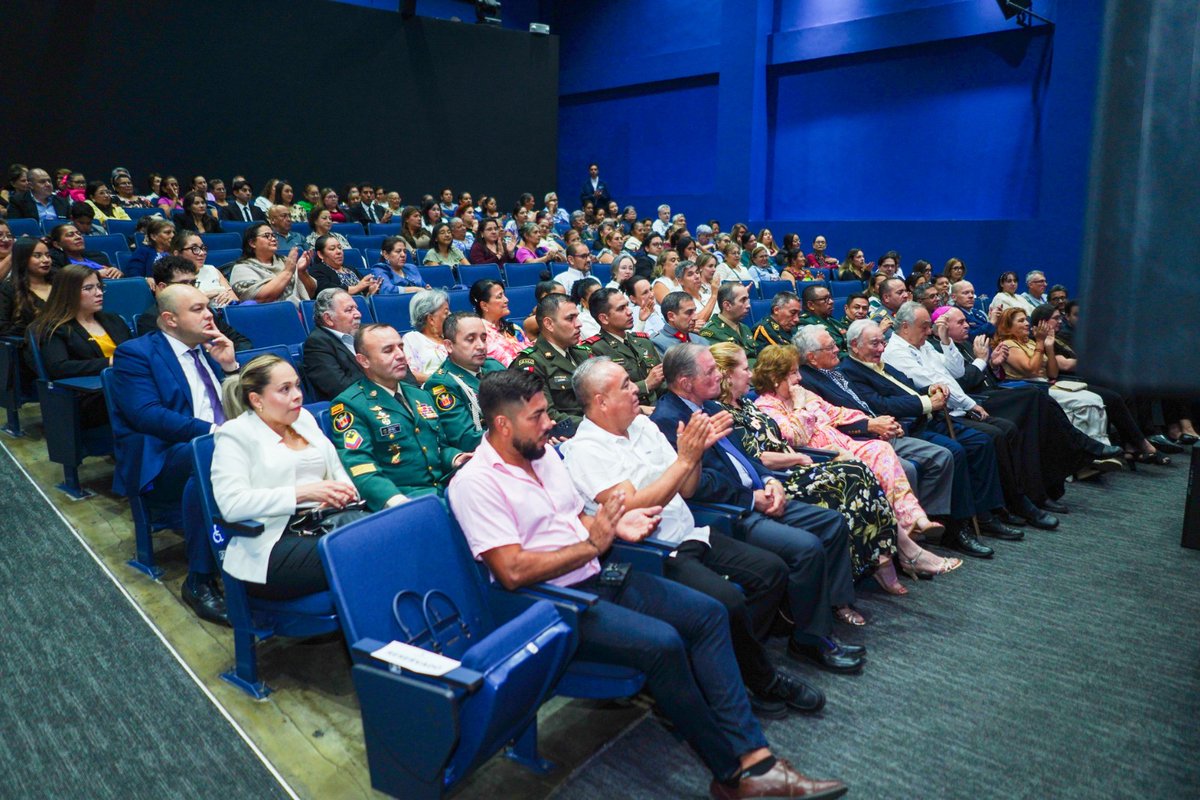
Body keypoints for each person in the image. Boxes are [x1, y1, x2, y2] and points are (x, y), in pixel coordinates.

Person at [450, 370, 848, 799]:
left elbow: (575, 519)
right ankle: (734, 773)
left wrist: (616, 524)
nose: (550, 423)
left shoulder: (543, 456)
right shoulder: (476, 483)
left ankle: (754, 757)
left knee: (711, 613)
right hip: (551, 606)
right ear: (503, 425)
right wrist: (592, 544)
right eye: (538, 415)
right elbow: (510, 570)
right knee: (665, 643)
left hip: (598, 575)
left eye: (546, 411)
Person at [563, 357, 827, 716]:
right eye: (626, 385)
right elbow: (633, 504)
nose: (636, 388)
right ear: (600, 401)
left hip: (691, 532)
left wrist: (695, 455)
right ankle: (761, 680)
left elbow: (685, 490)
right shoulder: (585, 450)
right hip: (653, 550)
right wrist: (685, 460)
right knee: (726, 602)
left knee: (773, 572)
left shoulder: (642, 426)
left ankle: (722, 667)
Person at [648, 345, 865, 672]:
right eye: (709, 371)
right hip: (727, 510)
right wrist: (752, 498)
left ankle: (813, 614)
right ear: (684, 381)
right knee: (806, 548)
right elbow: (698, 485)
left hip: (757, 493)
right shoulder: (668, 420)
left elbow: (746, 457)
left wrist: (768, 481)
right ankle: (809, 641)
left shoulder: (707, 405)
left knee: (831, 523)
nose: (718, 374)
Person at [710, 343, 922, 593]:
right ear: (726, 375)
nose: (751, 374)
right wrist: (797, 457)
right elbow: (757, 458)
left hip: (793, 465)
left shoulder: (745, 404)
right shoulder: (722, 412)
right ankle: (883, 561)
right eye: (745, 369)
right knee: (853, 474)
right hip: (778, 477)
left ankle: (885, 558)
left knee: (858, 471)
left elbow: (831, 415)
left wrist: (870, 423)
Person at [747, 343, 955, 580]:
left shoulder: (805, 393)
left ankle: (914, 517)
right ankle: (903, 544)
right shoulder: (766, 406)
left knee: (880, 448)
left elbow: (838, 412)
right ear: (775, 378)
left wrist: (872, 421)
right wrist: (800, 406)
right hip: (822, 455)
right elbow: (796, 436)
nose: (799, 377)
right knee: (866, 471)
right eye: (793, 373)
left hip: (845, 444)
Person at [112, 285, 242, 624]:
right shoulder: (135, 354)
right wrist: (216, 434)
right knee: (211, 455)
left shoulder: (212, 349)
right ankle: (199, 580)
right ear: (169, 319)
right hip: (162, 458)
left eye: (208, 307)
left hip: (216, 444)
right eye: (198, 309)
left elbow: (239, 409)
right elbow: (147, 415)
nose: (209, 314)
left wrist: (229, 369)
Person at [883, 302, 1061, 532]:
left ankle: (1013, 500)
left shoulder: (923, 344)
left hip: (956, 406)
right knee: (991, 437)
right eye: (925, 327)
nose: (929, 332)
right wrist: (970, 404)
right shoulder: (896, 352)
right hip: (934, 415)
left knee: (1009, 429)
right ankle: (997, 508)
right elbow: (934, 383)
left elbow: (954, 373)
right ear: (905, 327)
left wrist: (945, 341)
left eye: (930, 326)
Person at [840, 320, 1004, 559]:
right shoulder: (850, 371)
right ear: (855, 345)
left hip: (924, 418)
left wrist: (930, 389)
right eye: (874, 343)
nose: (881, 348)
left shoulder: (878, 362)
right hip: (904, 427)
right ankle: (956, 529)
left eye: (882, 342)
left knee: (981, 442)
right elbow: (880, 404)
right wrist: (927, 402)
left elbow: (906, 386)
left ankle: (987, 513)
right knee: (954, 451)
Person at [934, 306, 1121, 505]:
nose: (968, 325)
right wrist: (982, 360)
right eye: (960, 322)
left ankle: (1053, 481)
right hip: (976, 403)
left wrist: (992, 365)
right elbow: (960, 387)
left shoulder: (965, 344)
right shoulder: (938, 350)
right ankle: (1082, 447)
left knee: (1042, 407)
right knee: (1035, 396)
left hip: (992, 393)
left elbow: (980, 376)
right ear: (943, 326)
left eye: (966, 321)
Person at [211, 355, 359, 600]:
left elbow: (337, 469)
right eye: (285, 389)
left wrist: (343, 492)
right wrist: (304, 493)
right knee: (364, 550)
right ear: (256, 399)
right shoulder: (235, 435)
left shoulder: (303, 419)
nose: (298, 395)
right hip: (271, 543)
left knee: (388, 535)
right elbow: (232, 505)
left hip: (324, 521)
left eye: (297, 385)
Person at [793, 325, 959, 524]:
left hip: (881, 428)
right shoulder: (806, 382)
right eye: (830, 347)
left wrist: (886, 421)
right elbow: (828, 423)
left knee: (943, 456)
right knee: (908, 469)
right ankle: (905, 530)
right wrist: (870, 425)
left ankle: (931, 521)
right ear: (812, 357)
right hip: (857, 439)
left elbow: (869, 402)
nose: (838, 349)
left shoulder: (835, 370)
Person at [333, 324, 470, 510]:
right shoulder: (350, 405)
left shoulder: (420, 395)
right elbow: (361, 467)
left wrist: (456, 458)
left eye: (401, 347)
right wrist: (394, 500)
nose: (399, 355)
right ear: (364, 360)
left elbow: (438, 447)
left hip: (444, 489)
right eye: (388, 350)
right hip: (403, 499)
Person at [1026, 303, 1166, 466]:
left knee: (1128, 389)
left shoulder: (1059, 337)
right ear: (1042, 322)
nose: (1060, 321)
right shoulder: (1040, 339)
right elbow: (1063, 367)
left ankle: (1130, 446)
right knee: (1113, 397)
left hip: (1082, 377)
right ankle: (1144, 445)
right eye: (1056, 318)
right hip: (1068, 381)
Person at [510, 294, 593, 437]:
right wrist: (596, 424)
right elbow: (546, 414)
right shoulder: (532, 362)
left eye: (577, 317)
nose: (579, 323)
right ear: (549, 324)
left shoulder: (583, 353)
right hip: (571, 436)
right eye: (570, 318)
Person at [423, 312, 506, 451]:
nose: (481, 346)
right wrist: (515, 433)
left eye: (483, 338)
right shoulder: (442, 384)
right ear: (449, 345)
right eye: (470, 339)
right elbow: (466, 440)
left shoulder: (493, 366)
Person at [135, 256, 250, 350]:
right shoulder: (150, 320)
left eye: (193, 283)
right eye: (184, 283)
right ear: (163, 287)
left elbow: (241, 342)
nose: (191, 289)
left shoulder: (207, 311)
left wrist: (228, 358)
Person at [582, 288, 664, 408]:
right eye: (621, 308)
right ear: (604, 318)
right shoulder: (595, 349)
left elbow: (663, 383)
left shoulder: (643, 341)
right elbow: (606, 396)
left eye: (627, 305)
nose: (629, 311)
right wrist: (645, 385)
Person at [230, 222, 315, 306]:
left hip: (298, 312)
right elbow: (261, 298)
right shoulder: (242, 269)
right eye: (267, 236)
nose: (273, 239)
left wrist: (302, 272)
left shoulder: (285, 261)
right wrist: (287, 272)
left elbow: (311, 293)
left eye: (274, 235)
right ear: (252, 243)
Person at [302, 289, 365, 401]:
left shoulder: (365, 333)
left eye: (356, 308)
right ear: (328, 319)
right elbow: (340, 388)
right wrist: (377, 371)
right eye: (349, 310)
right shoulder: (317, 344)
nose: (358, 314)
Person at [0, 236, 54, 337]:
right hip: (32, 346)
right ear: (23, 259)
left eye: (48, 255)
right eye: (37, 256)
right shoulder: (9, 289)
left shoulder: (59, 283)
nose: (46, 260)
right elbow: (3, 327)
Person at [169, 231, 238, 307]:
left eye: (203, 248)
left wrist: (228, 297)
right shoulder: (172, 276)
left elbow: (235, 299)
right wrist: (206, 296)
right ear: (177, 254)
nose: (202, 253)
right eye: (194, 248)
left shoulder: (212, 269)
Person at [471, 278, 528, 366]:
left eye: (504, 295)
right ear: (484, 305)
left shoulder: (514, 328)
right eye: (499, 297)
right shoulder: (479, 335)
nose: (506, 300)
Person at [401, 289, 451, 384]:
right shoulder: (412, 339)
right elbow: (410, 374)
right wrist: (443, 380)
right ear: (431, 319)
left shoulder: (451, 337)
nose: (450, 315)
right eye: (446, 312)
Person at [699, 283, 756, 359]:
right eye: (743, 300)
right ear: (727, 306)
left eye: (747, 299)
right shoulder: (711, 332)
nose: (748, 305)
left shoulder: (745, 328)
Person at [308, 235, 378, 297]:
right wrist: (357, 288)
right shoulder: (316, 271)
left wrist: (371, 292)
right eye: (332, 249)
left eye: (339, 247)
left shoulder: (350, 269)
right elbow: (327, 291)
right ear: (320, 254)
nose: (339, 252)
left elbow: (364, 294)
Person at [46, 223, 122, 278]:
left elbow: (116, 276)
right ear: (57, 244)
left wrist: (117, 272)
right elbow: (60, 280)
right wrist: (95, 274)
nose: (78, 237)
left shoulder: (99, 256)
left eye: (79, 234)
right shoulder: (55, 260)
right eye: (70, 235)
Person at [651, 291, 708, 357]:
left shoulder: (700, 339)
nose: (695, 317)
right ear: (671, 316)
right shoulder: (658, 343)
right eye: (689, 312)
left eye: (694, 311)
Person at [793, 285, 846, 352]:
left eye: (830, 298)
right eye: (825, 299)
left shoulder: (831, 320)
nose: (831, 302)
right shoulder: (807, 324)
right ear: (811, 305)